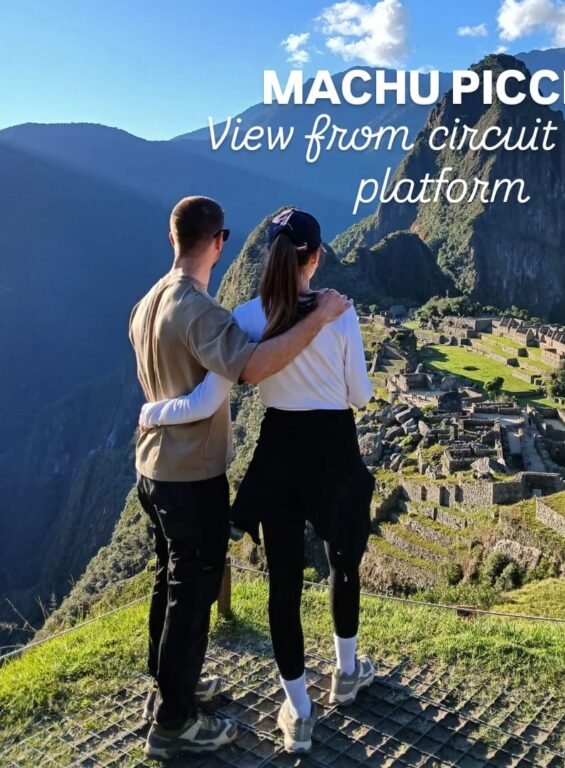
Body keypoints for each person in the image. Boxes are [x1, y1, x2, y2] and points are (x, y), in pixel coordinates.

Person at [140, 207, 376, 755]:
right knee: (345, 562)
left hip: (279, 456)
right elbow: (360, 395)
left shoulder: (245, 317)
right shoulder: (339, 312)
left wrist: (154, 413)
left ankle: (297, 710)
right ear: (315, 256)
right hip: (334, 449)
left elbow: (212, 397)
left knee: (283, 584)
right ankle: (346, 672)